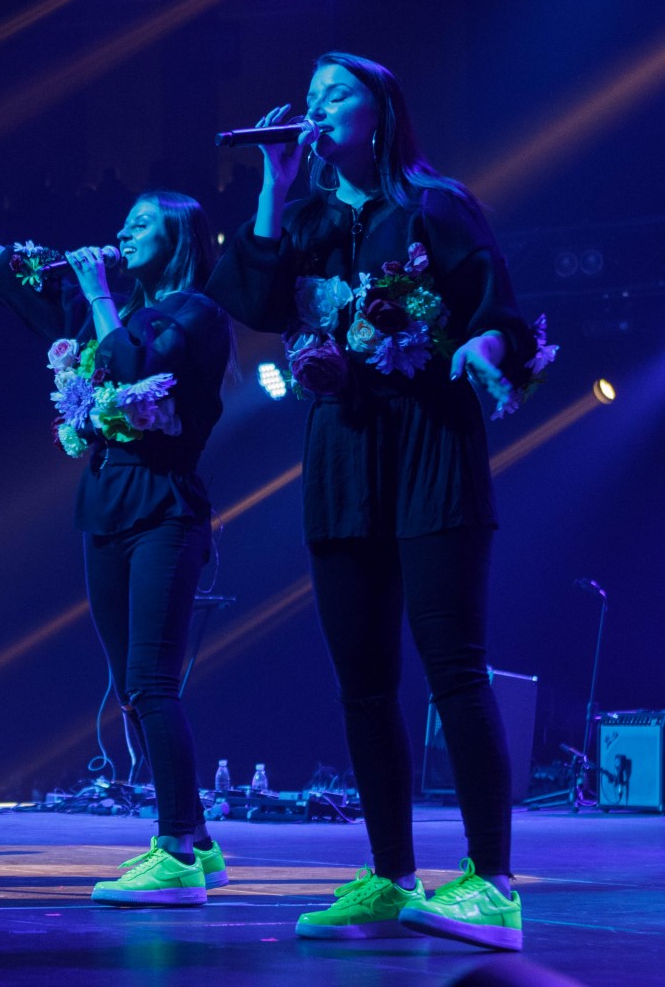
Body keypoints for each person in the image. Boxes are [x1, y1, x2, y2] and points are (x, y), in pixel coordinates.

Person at [207, 52, 550, 951]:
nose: (317, 107)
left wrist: (482, 350)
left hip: (430, 444)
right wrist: (274, 185)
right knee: (362, 684)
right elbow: (251, 301)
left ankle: (492, 883)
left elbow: (500, 313)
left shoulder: (435, 206)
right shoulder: (308, 222)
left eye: (337, 94)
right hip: (344, 458)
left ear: (381, 110)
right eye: (310, 97)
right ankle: (392, 875)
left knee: (454, 668)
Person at [0, 176, 234, 907]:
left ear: (178, 237)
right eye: (126, 221)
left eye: (143, 223)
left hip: (164, 508)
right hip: (105, 505)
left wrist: (99, 291)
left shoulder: (196, 314)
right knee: (131, 690)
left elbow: (134, 366)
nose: (125, 231)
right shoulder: (113, 307)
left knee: (152, 682)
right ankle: (197, 842)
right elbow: (19, 275)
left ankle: (175, 850)